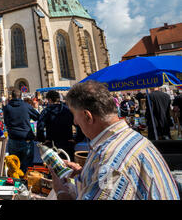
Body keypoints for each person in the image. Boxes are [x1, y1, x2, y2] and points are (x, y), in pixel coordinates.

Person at [50, 80, 179, 200]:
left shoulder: (111, 162)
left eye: (74, 115)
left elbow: (112, 172)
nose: (75, 122)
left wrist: (61, 192)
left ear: (87, 116)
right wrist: (85, 173)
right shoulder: (131, 138)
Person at [3, 89, 39, 173]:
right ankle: (26, 182)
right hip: (25, 138)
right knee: (27, 166)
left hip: (13, 138)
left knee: (14, 166)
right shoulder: (26, 106)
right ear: (21, 96)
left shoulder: (7, 107)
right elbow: (37, 117)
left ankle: (16, 183)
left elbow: (6, 122)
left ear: (12, 96)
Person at [36, 90, 78, 160]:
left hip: (53, 144)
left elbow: (40, 127)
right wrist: (77, 139)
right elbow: (78, 124)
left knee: (55, 167)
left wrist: (42, 140)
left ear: (49, 99)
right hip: (67, 143)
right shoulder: (67, 110)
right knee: (69, 165)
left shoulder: (46, 111)